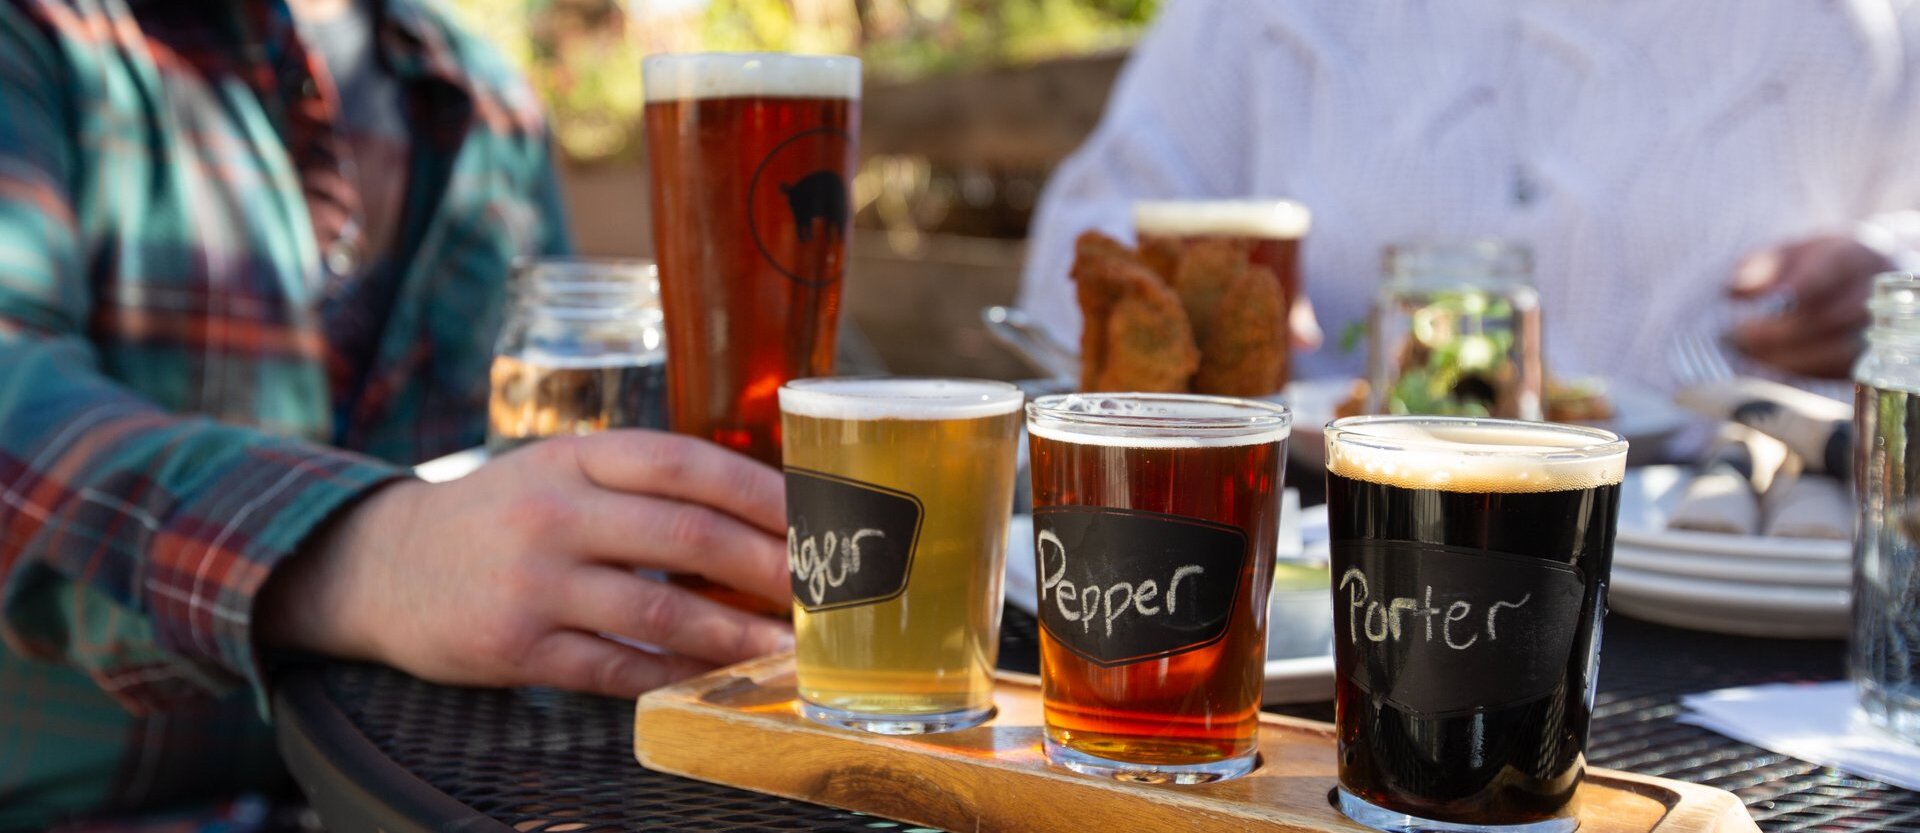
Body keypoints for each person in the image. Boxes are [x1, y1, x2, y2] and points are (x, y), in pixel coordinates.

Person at [0, 0, 791, 828]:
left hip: (449, 801)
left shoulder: (486, 97)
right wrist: (370, 552)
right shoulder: (47, 35)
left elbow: (573, 453)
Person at [1019, 1, 1920, 386]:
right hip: (1330, 562)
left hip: (1739, 572)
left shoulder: (1861, 26)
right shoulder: (1260, 17)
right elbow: (1087, 246)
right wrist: (1192, 297)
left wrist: (1889, 284)